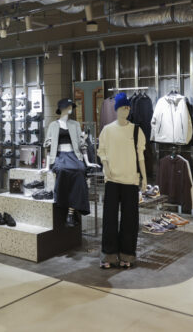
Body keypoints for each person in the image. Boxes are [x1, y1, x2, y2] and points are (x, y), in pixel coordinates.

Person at [97, 93, 147, 269]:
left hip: (130, 180)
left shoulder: (136, 130)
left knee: (130, 220)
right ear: (116, 109)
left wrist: (144, 177)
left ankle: (127, 254)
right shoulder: (107, 130)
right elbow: (101, 151)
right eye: (122, 107)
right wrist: (106, 167)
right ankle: (109, 255)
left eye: (127, 108)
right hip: (112, 179)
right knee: (109, 219)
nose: (125, 111)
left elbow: (141, 156)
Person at [46, 99, 100, 227]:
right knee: (62, 171)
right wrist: (47, 166)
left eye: (71, 106)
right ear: (62, 108)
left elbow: (82, 144)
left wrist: (87, 162)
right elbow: (48, 146)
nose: (71, 108)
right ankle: (65, 208)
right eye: (68, 106)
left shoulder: (75, 124)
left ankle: (71, 213)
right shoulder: (53, 125)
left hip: (74, 155)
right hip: (59, 156)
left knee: (80, 171)